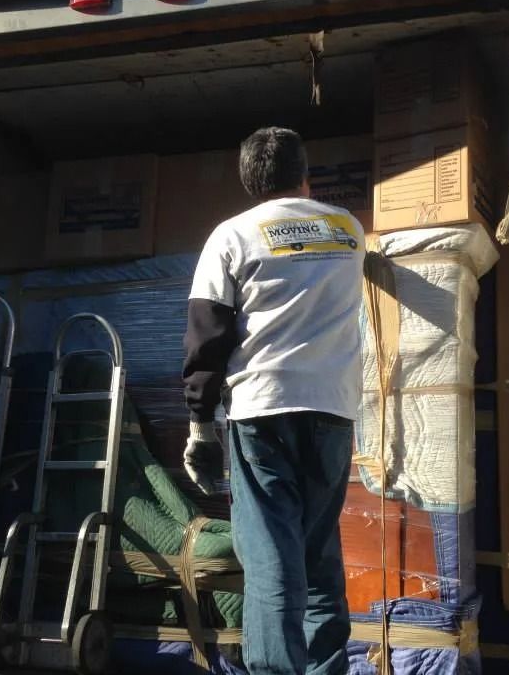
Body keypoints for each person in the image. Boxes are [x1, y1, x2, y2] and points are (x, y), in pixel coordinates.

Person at [181, 126, 365, 675]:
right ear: (306, 176)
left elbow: (206, 337)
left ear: (249, 182)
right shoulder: (349, 230)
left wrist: (199, 425)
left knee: (271, 560)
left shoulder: (232, 236)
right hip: (333, 412)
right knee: (318, 555)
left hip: (261, 413)